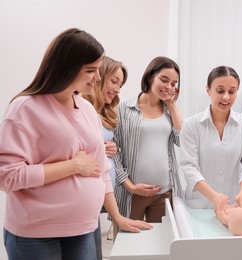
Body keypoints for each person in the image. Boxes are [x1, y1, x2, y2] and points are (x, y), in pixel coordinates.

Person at [0, 28, 151, 260]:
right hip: (37, 235)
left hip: (84, 229)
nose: (98, 78)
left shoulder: (88, 110)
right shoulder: (24, 109)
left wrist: (117, 217)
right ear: (66, 67)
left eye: (98, 70)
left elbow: (101, 171)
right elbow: (7, 176)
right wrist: (73, 166)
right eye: (91, 70)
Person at [113, 56, 184, 237]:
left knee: (161, 247)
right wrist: (130, 186)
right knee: (126, 247)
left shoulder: (170, 111)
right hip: (132, 193)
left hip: (164, 191)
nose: (169, 87)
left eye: (174, 83)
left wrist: (173, 106)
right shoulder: (124, 109)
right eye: (164, 80)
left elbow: (182, 140)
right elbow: (114, 151)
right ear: (151, 77)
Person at [180, 65, 242, 215]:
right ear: (208, 90)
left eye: (232, 91)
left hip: (233, 207)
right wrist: (213, 197)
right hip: (199, 206)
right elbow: (189, 167)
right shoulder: (191, 125)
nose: (226, 97)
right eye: (220, 90)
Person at [83, 56, 128, 259]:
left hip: (103, 190)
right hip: (85, 194)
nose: (118, 89)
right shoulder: (83, 109)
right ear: (100, 77)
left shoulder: (104, 112)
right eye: (114, 81)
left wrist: (112, 148)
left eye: (120, 84)